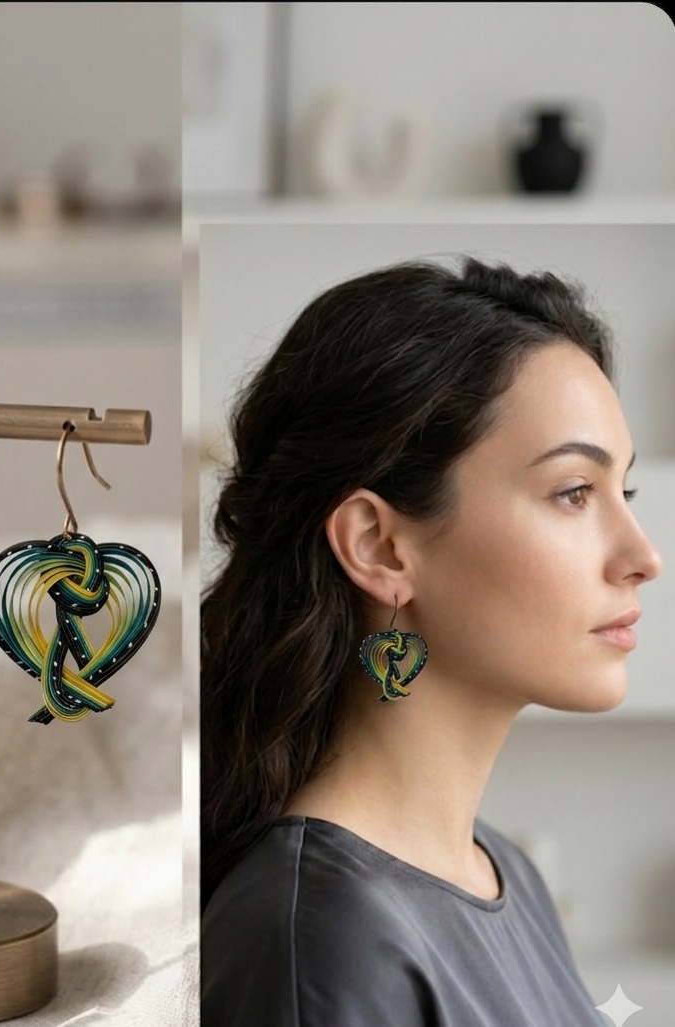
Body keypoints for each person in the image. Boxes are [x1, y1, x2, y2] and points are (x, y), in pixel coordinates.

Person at [200, 258, 662, 1026]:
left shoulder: (504, 872)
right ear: (378, 546)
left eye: (625, 490)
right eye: (574, 491)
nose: (643, 556)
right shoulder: (323, 937)